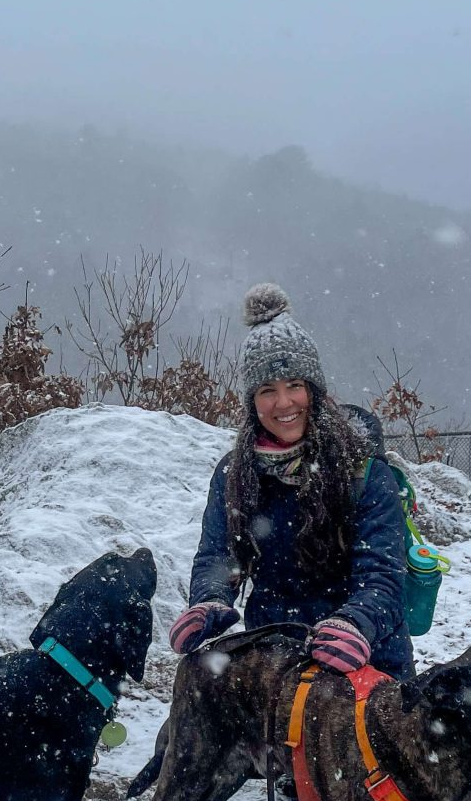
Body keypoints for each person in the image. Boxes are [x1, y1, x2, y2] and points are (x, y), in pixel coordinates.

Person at [169, 283, 414, 678]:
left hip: (369, 667)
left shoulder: (363, 471)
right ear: (252, 401)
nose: (283, 404)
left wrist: (355, 623)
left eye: (295, 386)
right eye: (267, 391)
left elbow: (383, 574)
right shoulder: (236, 474)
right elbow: (219, 554)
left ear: (313, 390)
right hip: (275, 660)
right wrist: (210, 600)